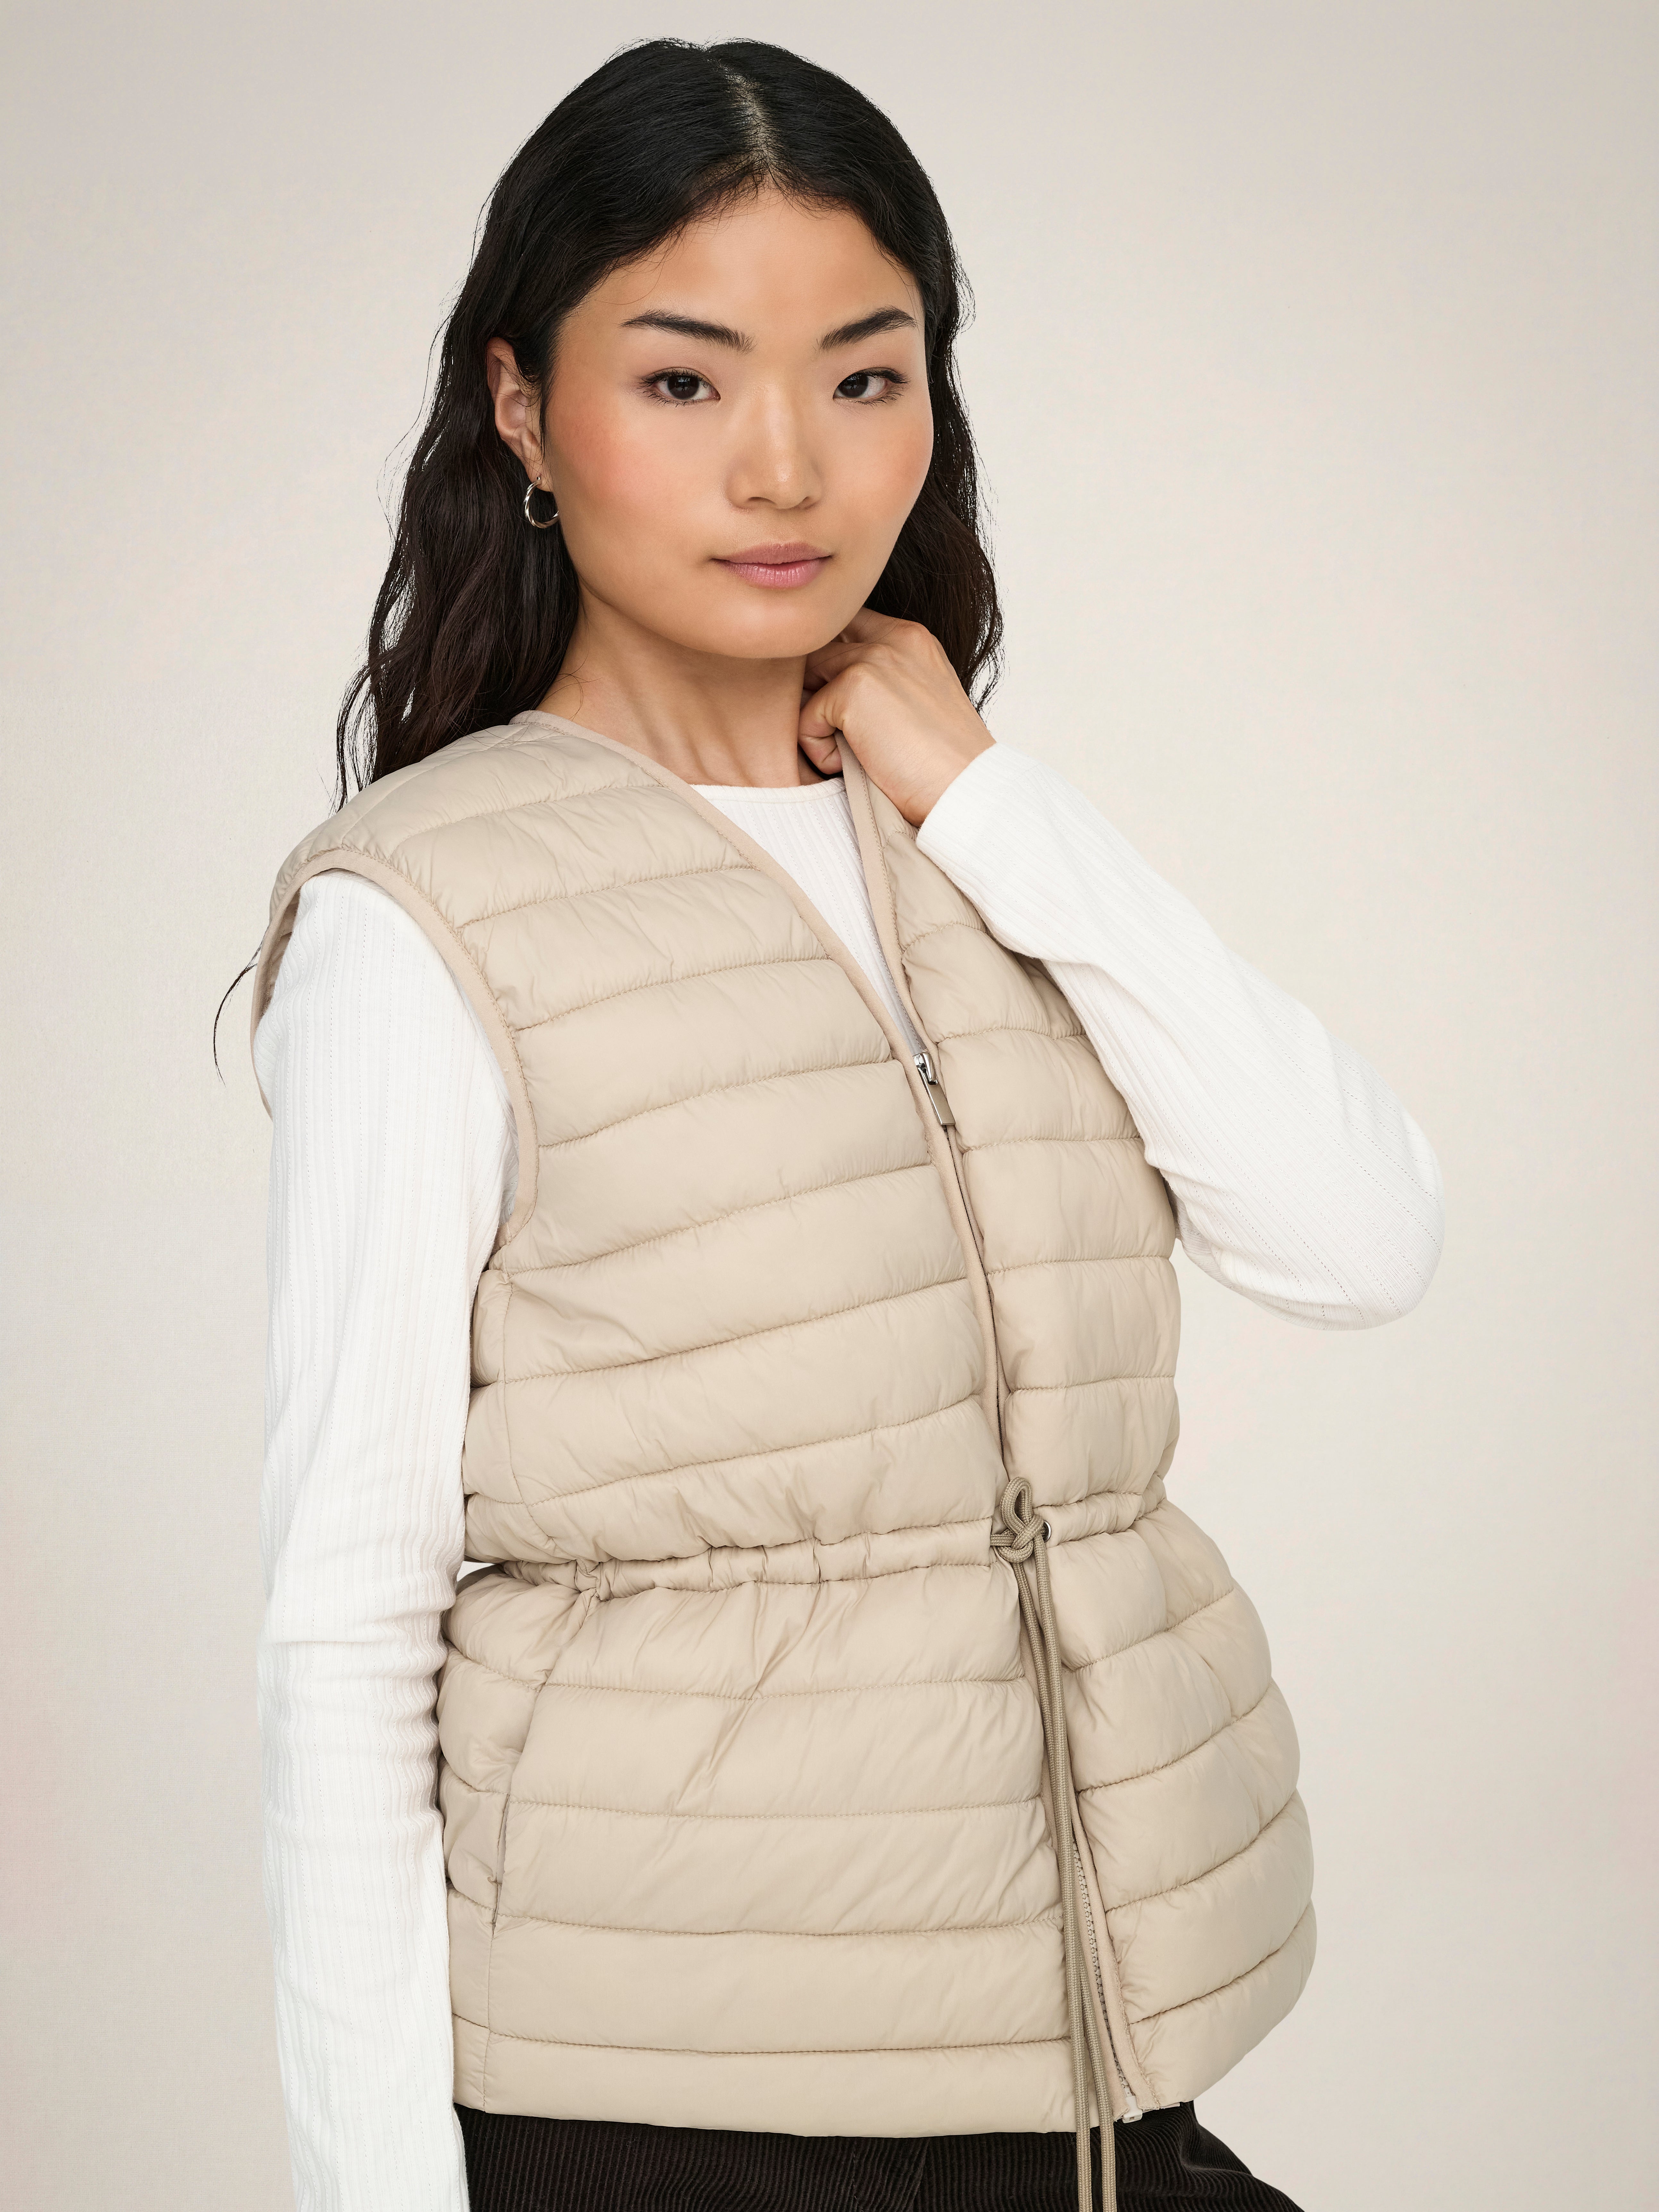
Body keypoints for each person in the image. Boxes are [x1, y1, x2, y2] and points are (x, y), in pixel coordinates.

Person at [248, 38, 1443, 2212]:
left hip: (1080, 2080)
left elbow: (1358, 1237)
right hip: (671, 2111)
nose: (783, 464)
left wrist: (984, 792)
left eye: (864, 376)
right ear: (522, 407)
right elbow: (345, 1613)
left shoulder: (973, 843)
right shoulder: (423, 917)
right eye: (681, 380)